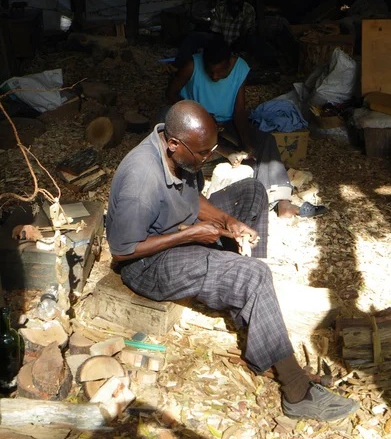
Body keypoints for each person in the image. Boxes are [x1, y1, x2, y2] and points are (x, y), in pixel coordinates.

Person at [106, 100, 359, 422]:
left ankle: (253, 289)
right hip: (149, 265)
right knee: (252, 276)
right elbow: (123, 250)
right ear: (173, 144)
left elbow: (191, 197)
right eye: (203, 153)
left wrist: (229, 222)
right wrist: (190, 235)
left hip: (182, 235)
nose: (209, 157)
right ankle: (297, 393)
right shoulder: (140, 180)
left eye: (212, 150)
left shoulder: (180, 153)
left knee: (253, 190)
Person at [167, 39, 327, 219]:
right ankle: (234, 161)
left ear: (230, 63)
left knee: (266, 141)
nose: (215, 76)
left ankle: (283, 202)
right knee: (209, 143)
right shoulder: (191, 66)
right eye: (210, 71)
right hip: (196, 125)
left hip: (224, 123)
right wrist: (198, 114)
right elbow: (170, 93)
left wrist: (246, 143)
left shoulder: (240, 68)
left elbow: (239, 110)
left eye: (221, 71)